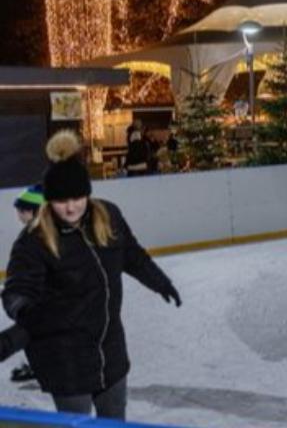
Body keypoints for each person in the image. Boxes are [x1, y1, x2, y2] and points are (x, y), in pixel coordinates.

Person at [2, 130, 181, 420]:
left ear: (87, 192)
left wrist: (160, 281)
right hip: (65, 360)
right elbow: (16, 290)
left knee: (113, 424)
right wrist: (25, 310)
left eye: (77, 197)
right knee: (78, 425)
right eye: (61, 200)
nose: (71, 207)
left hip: (110, 353)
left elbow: (131, 255)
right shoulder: (34, 240)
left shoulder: (108, 216)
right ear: (48, 201)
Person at [6, 185, 45, 382]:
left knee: (31, 332)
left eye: (22, 210)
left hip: (32, 299)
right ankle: (39, 365)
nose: (19, 215)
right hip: (29, 298)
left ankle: (41, 366)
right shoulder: (36, 234)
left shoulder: (31, 238)